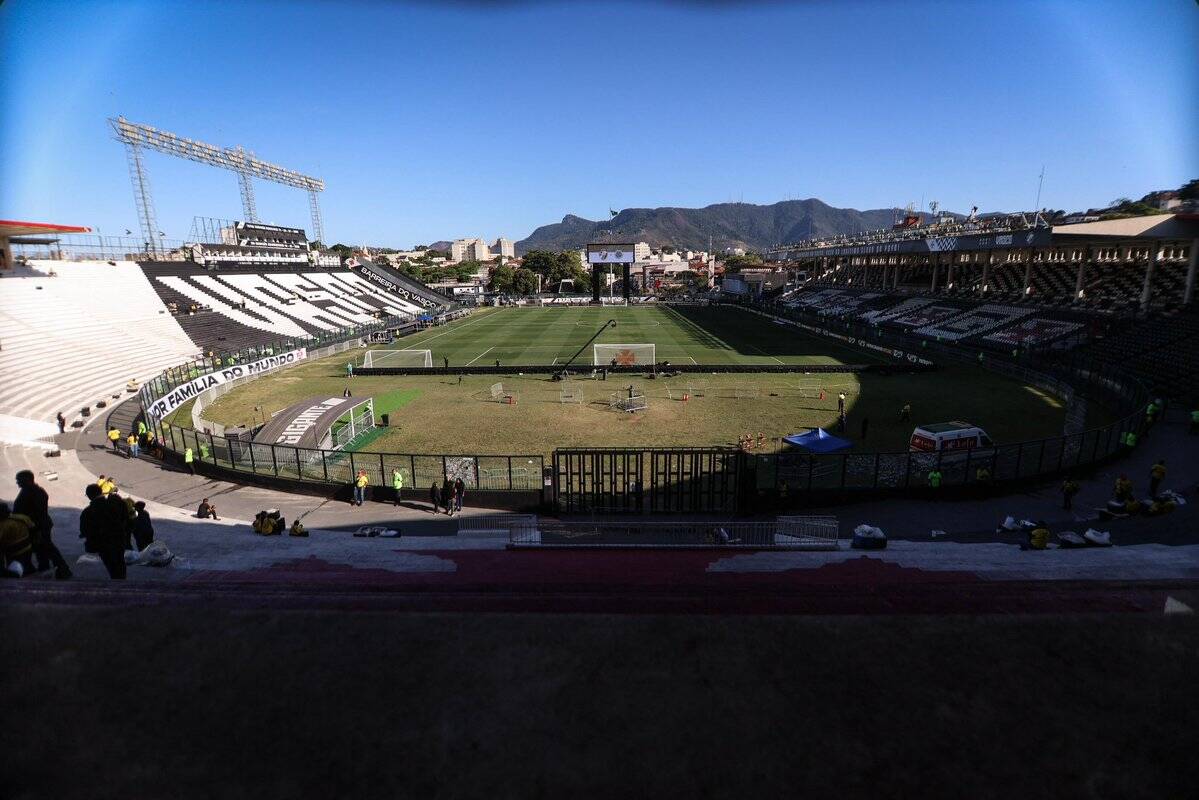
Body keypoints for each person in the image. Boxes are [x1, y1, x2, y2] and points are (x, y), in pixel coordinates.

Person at [15, 470, 70, 579]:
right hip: (35, 525)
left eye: (19, 480)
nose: (17, 482)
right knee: (42, 549)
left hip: (38, 526)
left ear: (27, 480)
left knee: (47, 547)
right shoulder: (29, 490)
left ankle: (63, 569)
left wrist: (37, 529)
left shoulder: (34, 492)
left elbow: (38, 512)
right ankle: (46, 568)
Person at [79, 483, 125, 579]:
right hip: (119, 539)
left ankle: (117, 582)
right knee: (120, 563)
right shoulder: (115, 503)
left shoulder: (87, 512)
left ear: (89, 496)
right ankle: (122, 579)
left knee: (111, 566)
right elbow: (127, 519)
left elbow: (85, 531)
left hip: (102, 544)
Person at [0, 502, 35, 577]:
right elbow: (33, 528)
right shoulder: (21, 517)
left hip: (14, 551)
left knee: (15, 566)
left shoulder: (3, 525)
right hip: (28, 547)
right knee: (26, 563)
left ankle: (7, 572)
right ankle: (29, 571)